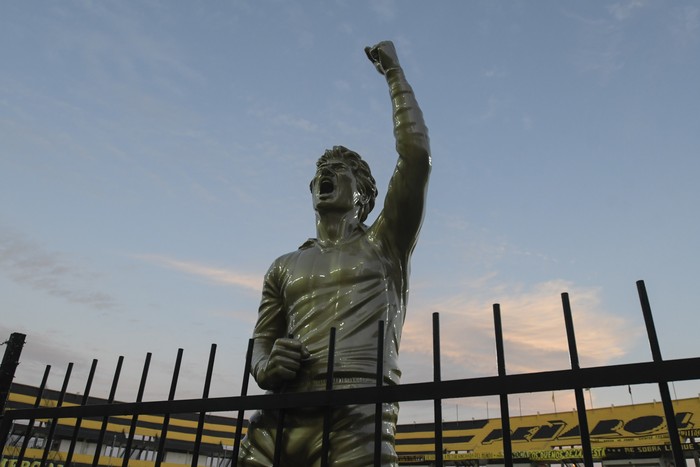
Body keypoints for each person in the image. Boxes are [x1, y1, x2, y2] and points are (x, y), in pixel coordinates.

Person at [238, 40, 430, 467]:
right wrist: (266, 365)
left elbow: (415, 156)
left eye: (339, 170)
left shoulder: (385, 244)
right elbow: (261, 339)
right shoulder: (283, 266)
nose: (325, 173)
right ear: (311, 191)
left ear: (363, 197)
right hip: (280, 413)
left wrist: (394, 74)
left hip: (358, 407)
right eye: (320, 171)